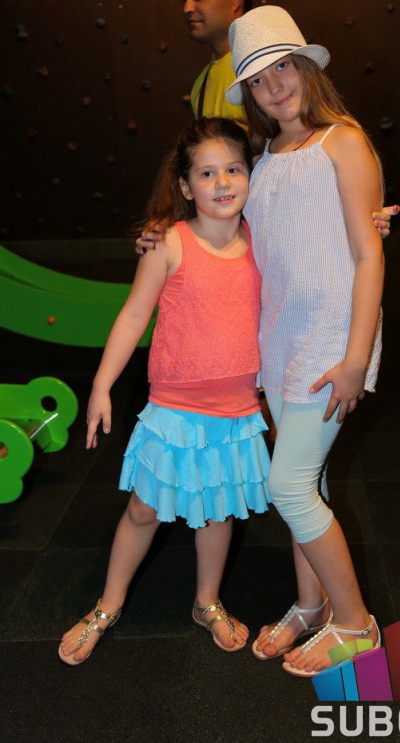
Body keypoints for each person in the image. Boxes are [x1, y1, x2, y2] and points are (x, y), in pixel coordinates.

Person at [58, 117, 270, 665]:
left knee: (219, 512)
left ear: (252, 174)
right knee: (144, 510)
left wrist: (369, 223)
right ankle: (107, 605)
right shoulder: (169, 243)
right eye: (206, 173)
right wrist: (101, 386)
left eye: (234, 169)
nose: (222, 182)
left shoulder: (262, 240)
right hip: (175, 409)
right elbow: (133, 316)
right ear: (185, 185)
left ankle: (206, 601)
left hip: (237, 410)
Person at [225, 5, 385, 677]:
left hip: (331, 341)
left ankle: (355, 624)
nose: (275, 86)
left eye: (283, 67)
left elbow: (368, 255)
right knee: (308, 479)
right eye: (258, 80)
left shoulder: (342, 141)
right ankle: (310, 604)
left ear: (307, 68)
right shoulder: (263, 160)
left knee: (287, 485)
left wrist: (356, 358)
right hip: (280, 341)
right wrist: (159, 237)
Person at [178, 0, 398, 235]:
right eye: (255, 82)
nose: (188, 7)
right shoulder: (202, 83)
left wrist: (363, 214)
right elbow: (202, 173)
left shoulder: (331, 133)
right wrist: (172, 230)